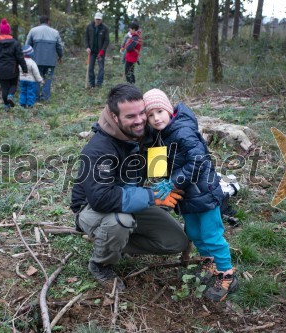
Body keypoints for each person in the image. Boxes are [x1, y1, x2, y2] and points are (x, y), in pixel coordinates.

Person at [70, 83, 189, 291]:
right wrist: (152, 197)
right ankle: (101, 264)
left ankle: (114, 242)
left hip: (131, 200)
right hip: (91, 208)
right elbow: (102, 198)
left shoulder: (146, 134)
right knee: (120, 222)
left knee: (175, 241)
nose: (140, 120)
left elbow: (157, 172)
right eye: (131, 117)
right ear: (115, 117)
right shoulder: (99, 149)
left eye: (142, 113)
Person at [143, 88, 238, 302]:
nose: (156, 118)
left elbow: (199, 160)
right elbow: (158, 166)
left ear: (169, 110)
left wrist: (173, 181)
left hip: (203, 193)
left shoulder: (182, 130)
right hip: (187, 197)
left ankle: (226, 275)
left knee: (212, 235)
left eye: (159, 111)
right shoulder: (161, 134)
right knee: (194, 232)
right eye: (150, 115)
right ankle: (209, 264)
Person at [0, 18, 28, 111]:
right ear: (9, 31)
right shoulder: (15, 43)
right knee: (13, 84)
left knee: (4, 87)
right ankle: (11, 95)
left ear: (0, 31)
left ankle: (6, 106)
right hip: (13, 69)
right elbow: (20, 57)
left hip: (0, 69)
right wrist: (24, 69)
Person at [25, 15, 63, 102]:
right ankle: (45, 98)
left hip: (36, 60)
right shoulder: (55, 32)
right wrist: (60, 56)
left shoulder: (33, 31)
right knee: (48, 79)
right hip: (50, 62)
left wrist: (26, 58)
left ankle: (36, 98)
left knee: (36, 79)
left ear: (39, 22)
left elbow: (27, 45)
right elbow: (59, 46)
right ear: (48, 22)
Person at [84, 12, 110, 88]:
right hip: (91, 51)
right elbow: (86, 38)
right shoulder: (89, 27)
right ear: (94, 18)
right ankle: (92, 84)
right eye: (96, 19)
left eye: (99, 19)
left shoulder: (105, 28)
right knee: (90, 67)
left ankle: (99, 84)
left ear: (101, 20)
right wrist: (87, 47)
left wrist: (102, 50)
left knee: (101, 68)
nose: (98, 21)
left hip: (100, 52)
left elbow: (106, 40)